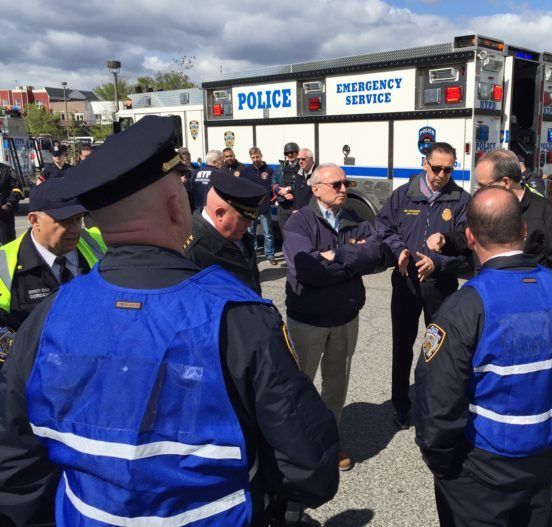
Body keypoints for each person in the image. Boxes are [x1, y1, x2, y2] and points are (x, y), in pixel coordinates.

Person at [0, 116, 340, 526]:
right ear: (177, 206)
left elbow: (16, 464)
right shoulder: (238, 316)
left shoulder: (48, 316)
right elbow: (310, 470)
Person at [415, 186, 552, 527]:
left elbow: (436, 399)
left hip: (480, 470)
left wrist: (442, 464)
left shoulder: (465, 307)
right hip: (544, 458)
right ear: (524, 231)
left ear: (470, 237)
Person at [284, 163, 383, 471]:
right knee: (300, 385)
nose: (344, 189)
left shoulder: (354, 219)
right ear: (316, 189)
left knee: (336, 383)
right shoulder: (298, 222)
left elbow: (379, 256)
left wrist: (336, 256)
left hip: (345, 316)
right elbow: (309, 270)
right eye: (337, 184)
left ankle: (329, 440)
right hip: (308, 320)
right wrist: (354, 258)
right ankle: (296, 444)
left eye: (345, 183)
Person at [376, 142, 471, 429]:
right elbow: (383, 228)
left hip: (440, 286)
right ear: (424, 164)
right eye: (437, 167)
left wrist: (438, 262)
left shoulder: (461, 199)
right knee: (402, 347)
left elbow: (467, 245)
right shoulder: (403, 195)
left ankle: (436, 406)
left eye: (448, 169)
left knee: (440, 349)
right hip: (405, 282)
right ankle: (401, 405)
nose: (442, 174)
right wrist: (399, 251)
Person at [428, 149, 552, 269]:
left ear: (506, 182)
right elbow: (466, 236)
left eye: (483, 186)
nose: (479, 192)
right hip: (485, 291)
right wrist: (445, 239)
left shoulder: (547, 213)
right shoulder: (482, 205)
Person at [0, 179, 105, 330]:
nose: (75, 229)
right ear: (34, 220)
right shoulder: (4, 264)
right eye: (65, 221)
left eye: (78, 219)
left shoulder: (102, 242)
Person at [185, 172, 267, 294]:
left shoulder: (241, 236)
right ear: (220, 214)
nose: (249, 225)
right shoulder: (192, 251)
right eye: (244, 219)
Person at [242, 147, 277, 265]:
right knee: (251, 233)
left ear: (261, 155)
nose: (256, 159)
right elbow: (242, 188)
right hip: (251, 208)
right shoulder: (246, 171)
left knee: (268, 233)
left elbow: (273, 188)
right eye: (253, 157)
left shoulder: (269, 170)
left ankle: (270, 255)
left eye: (257, 156)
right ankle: (253, 255)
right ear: (250, 158)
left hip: (264, 207)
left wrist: (270, 201)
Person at [273, 142, 300, 239]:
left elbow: (302, 183)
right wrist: (282, 193)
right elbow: (274, 182)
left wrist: (288, 189)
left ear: (297, 153)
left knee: (298, 234)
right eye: (287, 153)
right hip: (283, 205)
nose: (289, 155)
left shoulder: (302, 167)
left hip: (296, 205)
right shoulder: (280, 167)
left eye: (292, 152)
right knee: (284, 233)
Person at [0, 162, 23, 244]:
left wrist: (9, 204)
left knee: (7, 242)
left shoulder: (7, 170)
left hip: (4, 212)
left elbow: (17, 189)